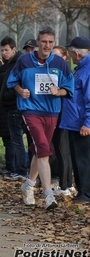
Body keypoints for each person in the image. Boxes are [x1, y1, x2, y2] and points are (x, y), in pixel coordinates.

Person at [6, 26, 74, 210]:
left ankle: (28, 186)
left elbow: (69, 86)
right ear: (37, 42)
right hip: (30, 110)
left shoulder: (60, 64)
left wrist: (58, 91)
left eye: (51, 42)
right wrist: (22, 91)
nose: (47, 45)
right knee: (43, 149)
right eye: (44, 41)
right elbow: (11, 81)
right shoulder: (24, 61)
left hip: (51, 112)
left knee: (38, 150)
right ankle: (48, 195)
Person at [59, 36, 90, 204]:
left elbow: (89, 99)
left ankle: (86, 194)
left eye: (70, 52)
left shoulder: (87, 71)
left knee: (83, 160)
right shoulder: (80, 68)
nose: (70, 55)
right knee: (77, 159)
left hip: (81, 124)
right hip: (73, 123)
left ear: (77, 53)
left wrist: (87, 123)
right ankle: (82, 192)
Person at [0, 38, 27, 180]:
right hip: (10, 106)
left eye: (6, 50)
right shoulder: (11, 63)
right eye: (2, 50)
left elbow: (18, 84)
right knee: (14, 140)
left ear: (14, 49)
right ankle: (17, 167)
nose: (4, 53)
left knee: (16, 140)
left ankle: (21, 169)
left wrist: (7, 95)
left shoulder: (18, 63)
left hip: (15, 106)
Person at [49, 45, 75, 197]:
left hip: (62, 115)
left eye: (57, 56)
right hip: (62, 114)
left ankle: (64, 185)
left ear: (65, 57)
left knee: (61, 150)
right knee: (63, 151)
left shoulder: (64, 73)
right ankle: (69, 184)